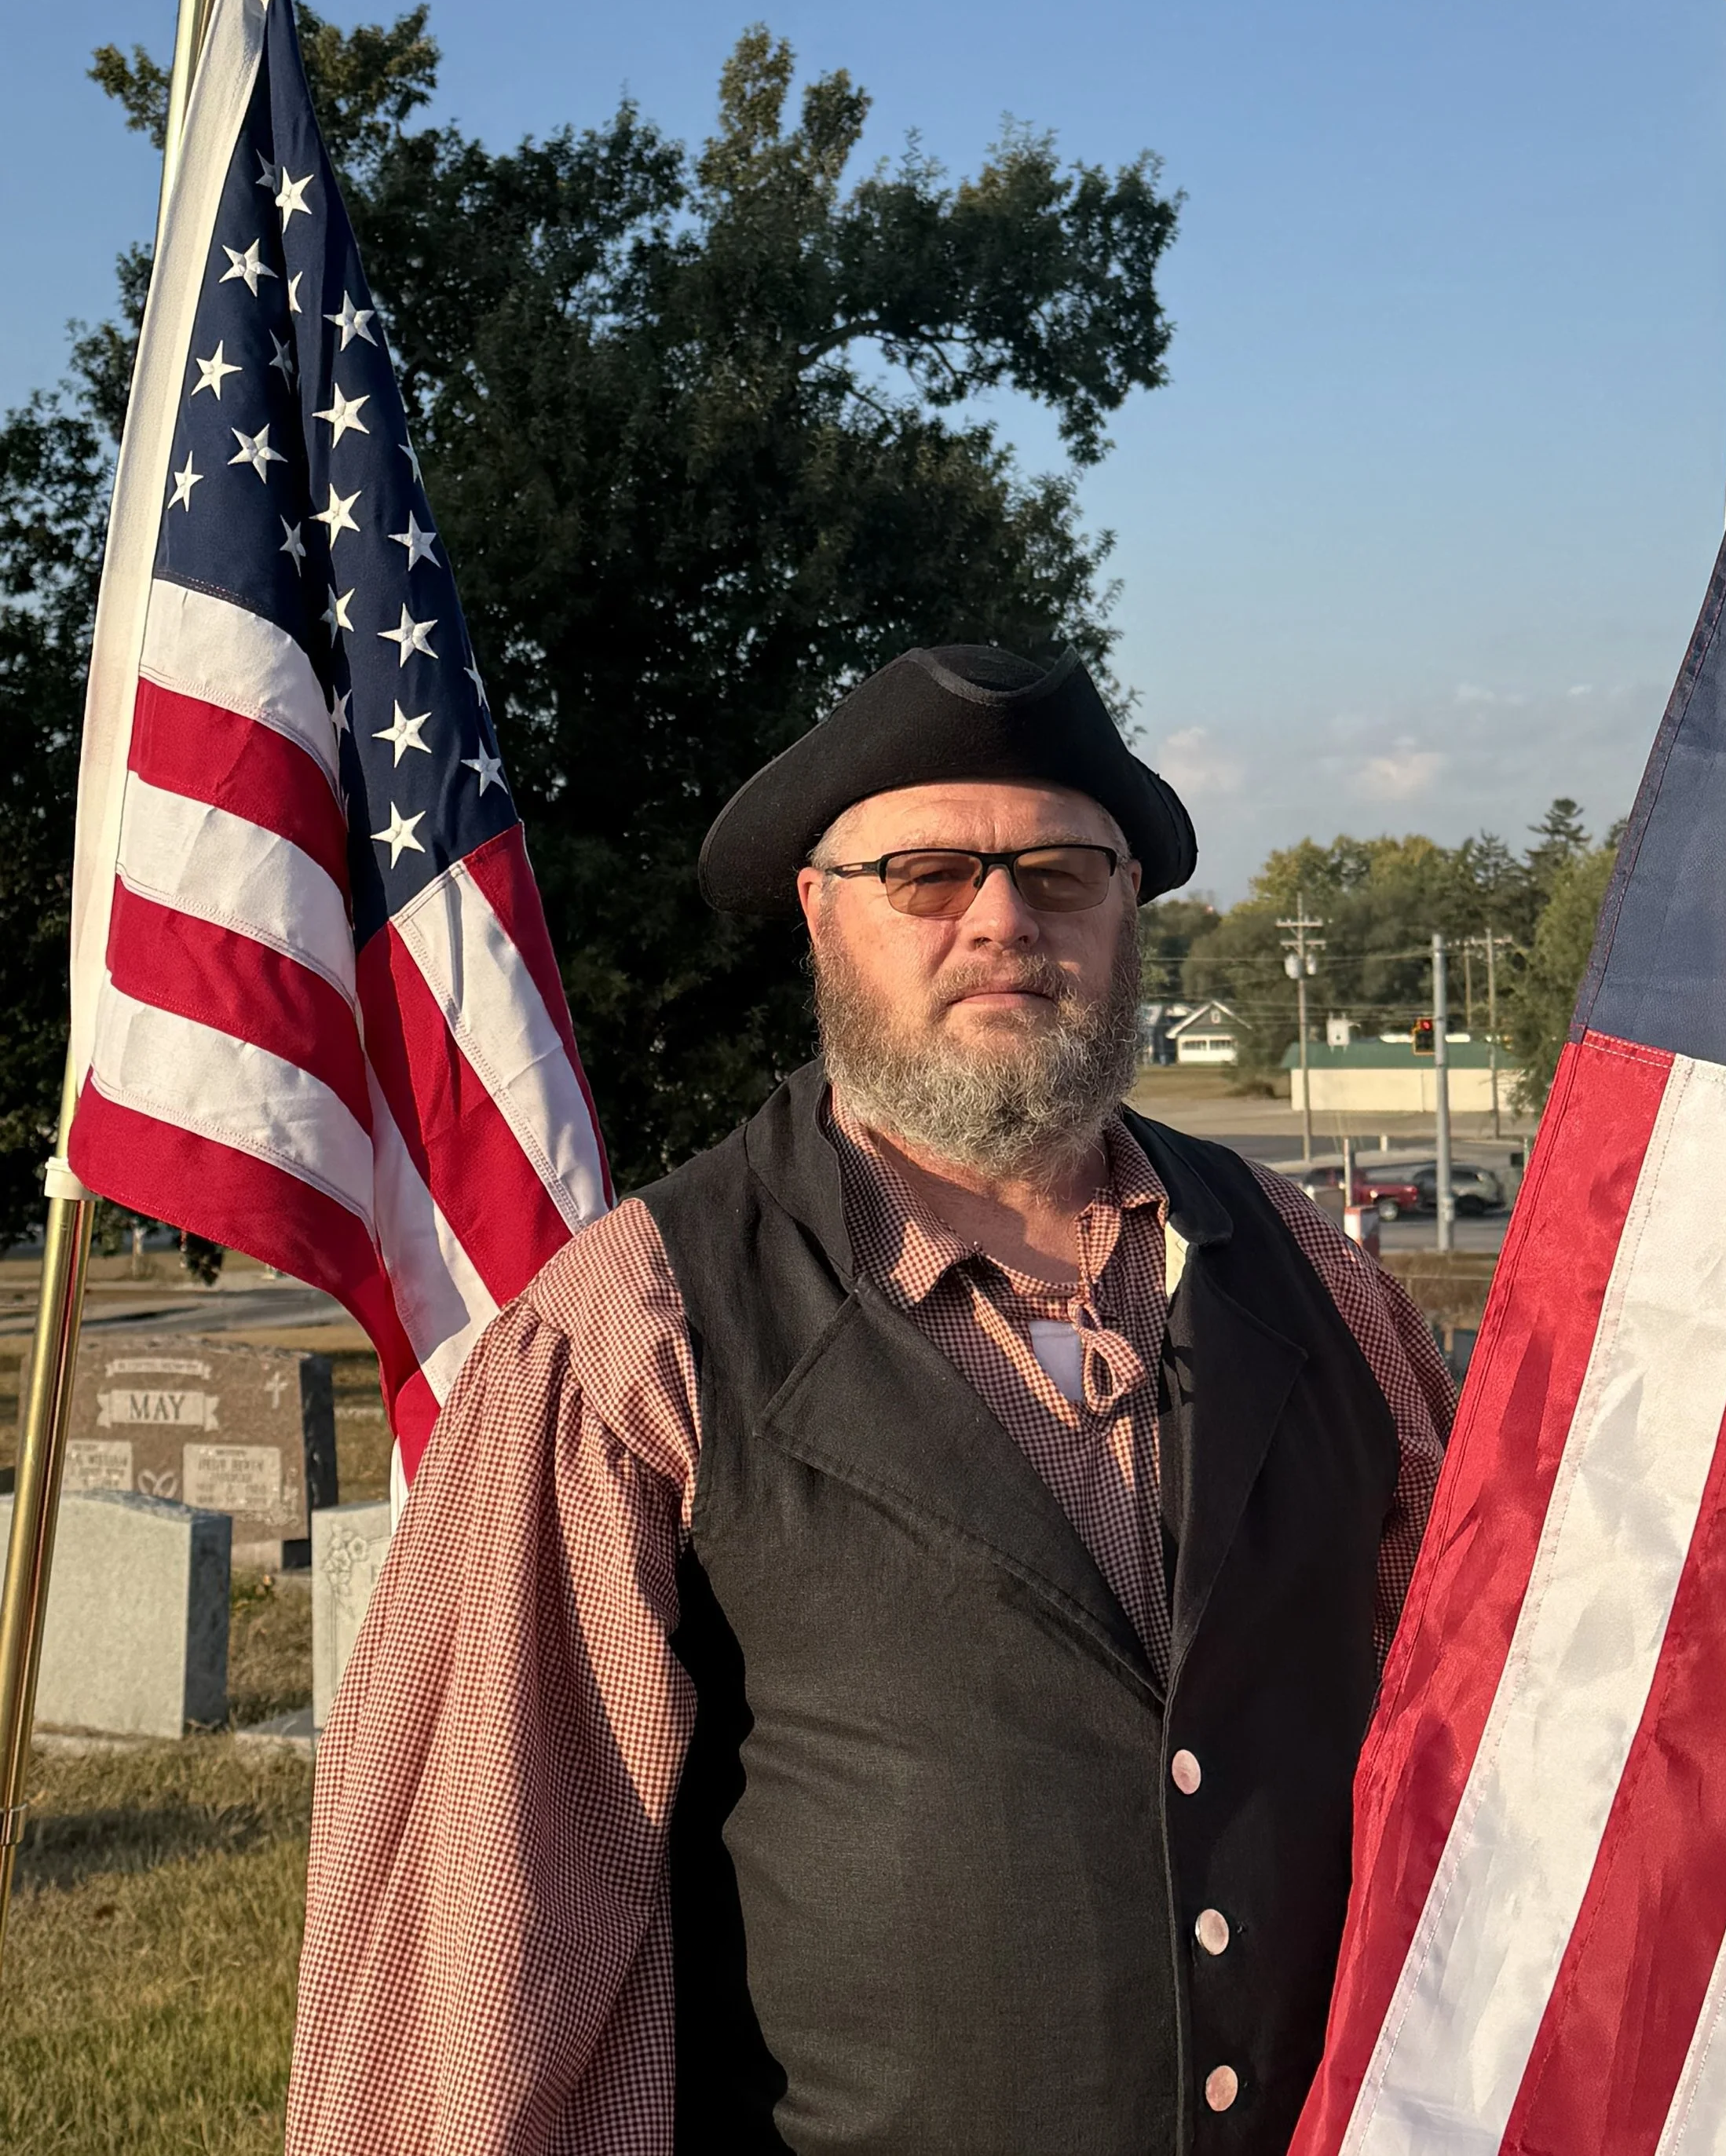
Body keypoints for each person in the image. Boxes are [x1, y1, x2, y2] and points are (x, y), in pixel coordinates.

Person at [287, 644, 1454, 2156]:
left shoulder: (1312, 1272)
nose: (1003, 921)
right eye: (928, 877)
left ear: (1127, 914)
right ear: (819, 912)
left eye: (1061, 874)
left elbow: (1476, 1718)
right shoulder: (638, 1329)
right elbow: (488, 1920)